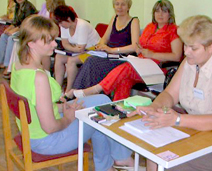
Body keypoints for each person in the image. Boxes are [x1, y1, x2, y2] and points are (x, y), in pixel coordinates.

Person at [10, 15, 135, 171]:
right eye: (48, 41)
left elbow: (35, 104)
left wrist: (64, 108)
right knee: (99, 117)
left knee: (102, 101)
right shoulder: (38, 77)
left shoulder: (19, 64)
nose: (54, 44)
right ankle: (117, 160)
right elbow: (50, 127)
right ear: (31, 44)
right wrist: (68, 118)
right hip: (47, 141)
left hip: (34, 131)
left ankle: (114, 161)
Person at [129, 15, 212, 171]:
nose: (186, 52)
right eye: (185, 45)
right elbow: (170, 94)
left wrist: (178, 119)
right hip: (198, 132)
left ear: (211, 47)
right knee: (155, 154)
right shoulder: (189, 63)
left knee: (169, 163)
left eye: (193, 48)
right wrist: (155, 106)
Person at [68, 0, 182, 101]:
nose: (160, 14)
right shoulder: (150, 26)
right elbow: (139, 44)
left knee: (126, 69)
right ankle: (118, 110)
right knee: (124, 80)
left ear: (170, 14)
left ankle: (95, 89)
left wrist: (153, 54)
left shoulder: (173, 31)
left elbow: (176, 56)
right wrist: (138, 48)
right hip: (141, 64)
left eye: (164, 11)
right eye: (157, 11)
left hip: (156, 69)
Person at [69, 0, 140, 93]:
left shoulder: (134, 21)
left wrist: (112, 50)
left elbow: (134, 47)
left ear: (128, 6)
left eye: (123, 4)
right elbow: (105, 38)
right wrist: (101, 45)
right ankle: (78, 91)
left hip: (123, 58)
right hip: (109, 55)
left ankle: (81, 92)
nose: (119, 7)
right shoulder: (114, 18)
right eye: (117, 4)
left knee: (93, 63)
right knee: (90, 59)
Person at [53, 5, 100, 88]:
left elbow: (80, 47)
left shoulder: (82, 25)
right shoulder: (64, 26)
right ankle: (57, 88)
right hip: (80, 51)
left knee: (71, 61)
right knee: (59, 57)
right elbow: (65, 44)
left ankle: (69, 90)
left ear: (68, 18)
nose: (60, 25)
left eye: (61, 22)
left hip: (94, 52)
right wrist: (75, 49)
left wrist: (73, 48)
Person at [0, 0, 37, 78]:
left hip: (29, 30)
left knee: (11, 38)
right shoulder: (17, 6)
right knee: (4, 36)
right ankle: (1, 61)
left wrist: (13, 30)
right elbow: (15, 22)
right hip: (20, 29)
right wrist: (9, 29)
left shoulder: (28, 6)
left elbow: (26, 23)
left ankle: (8, 66)